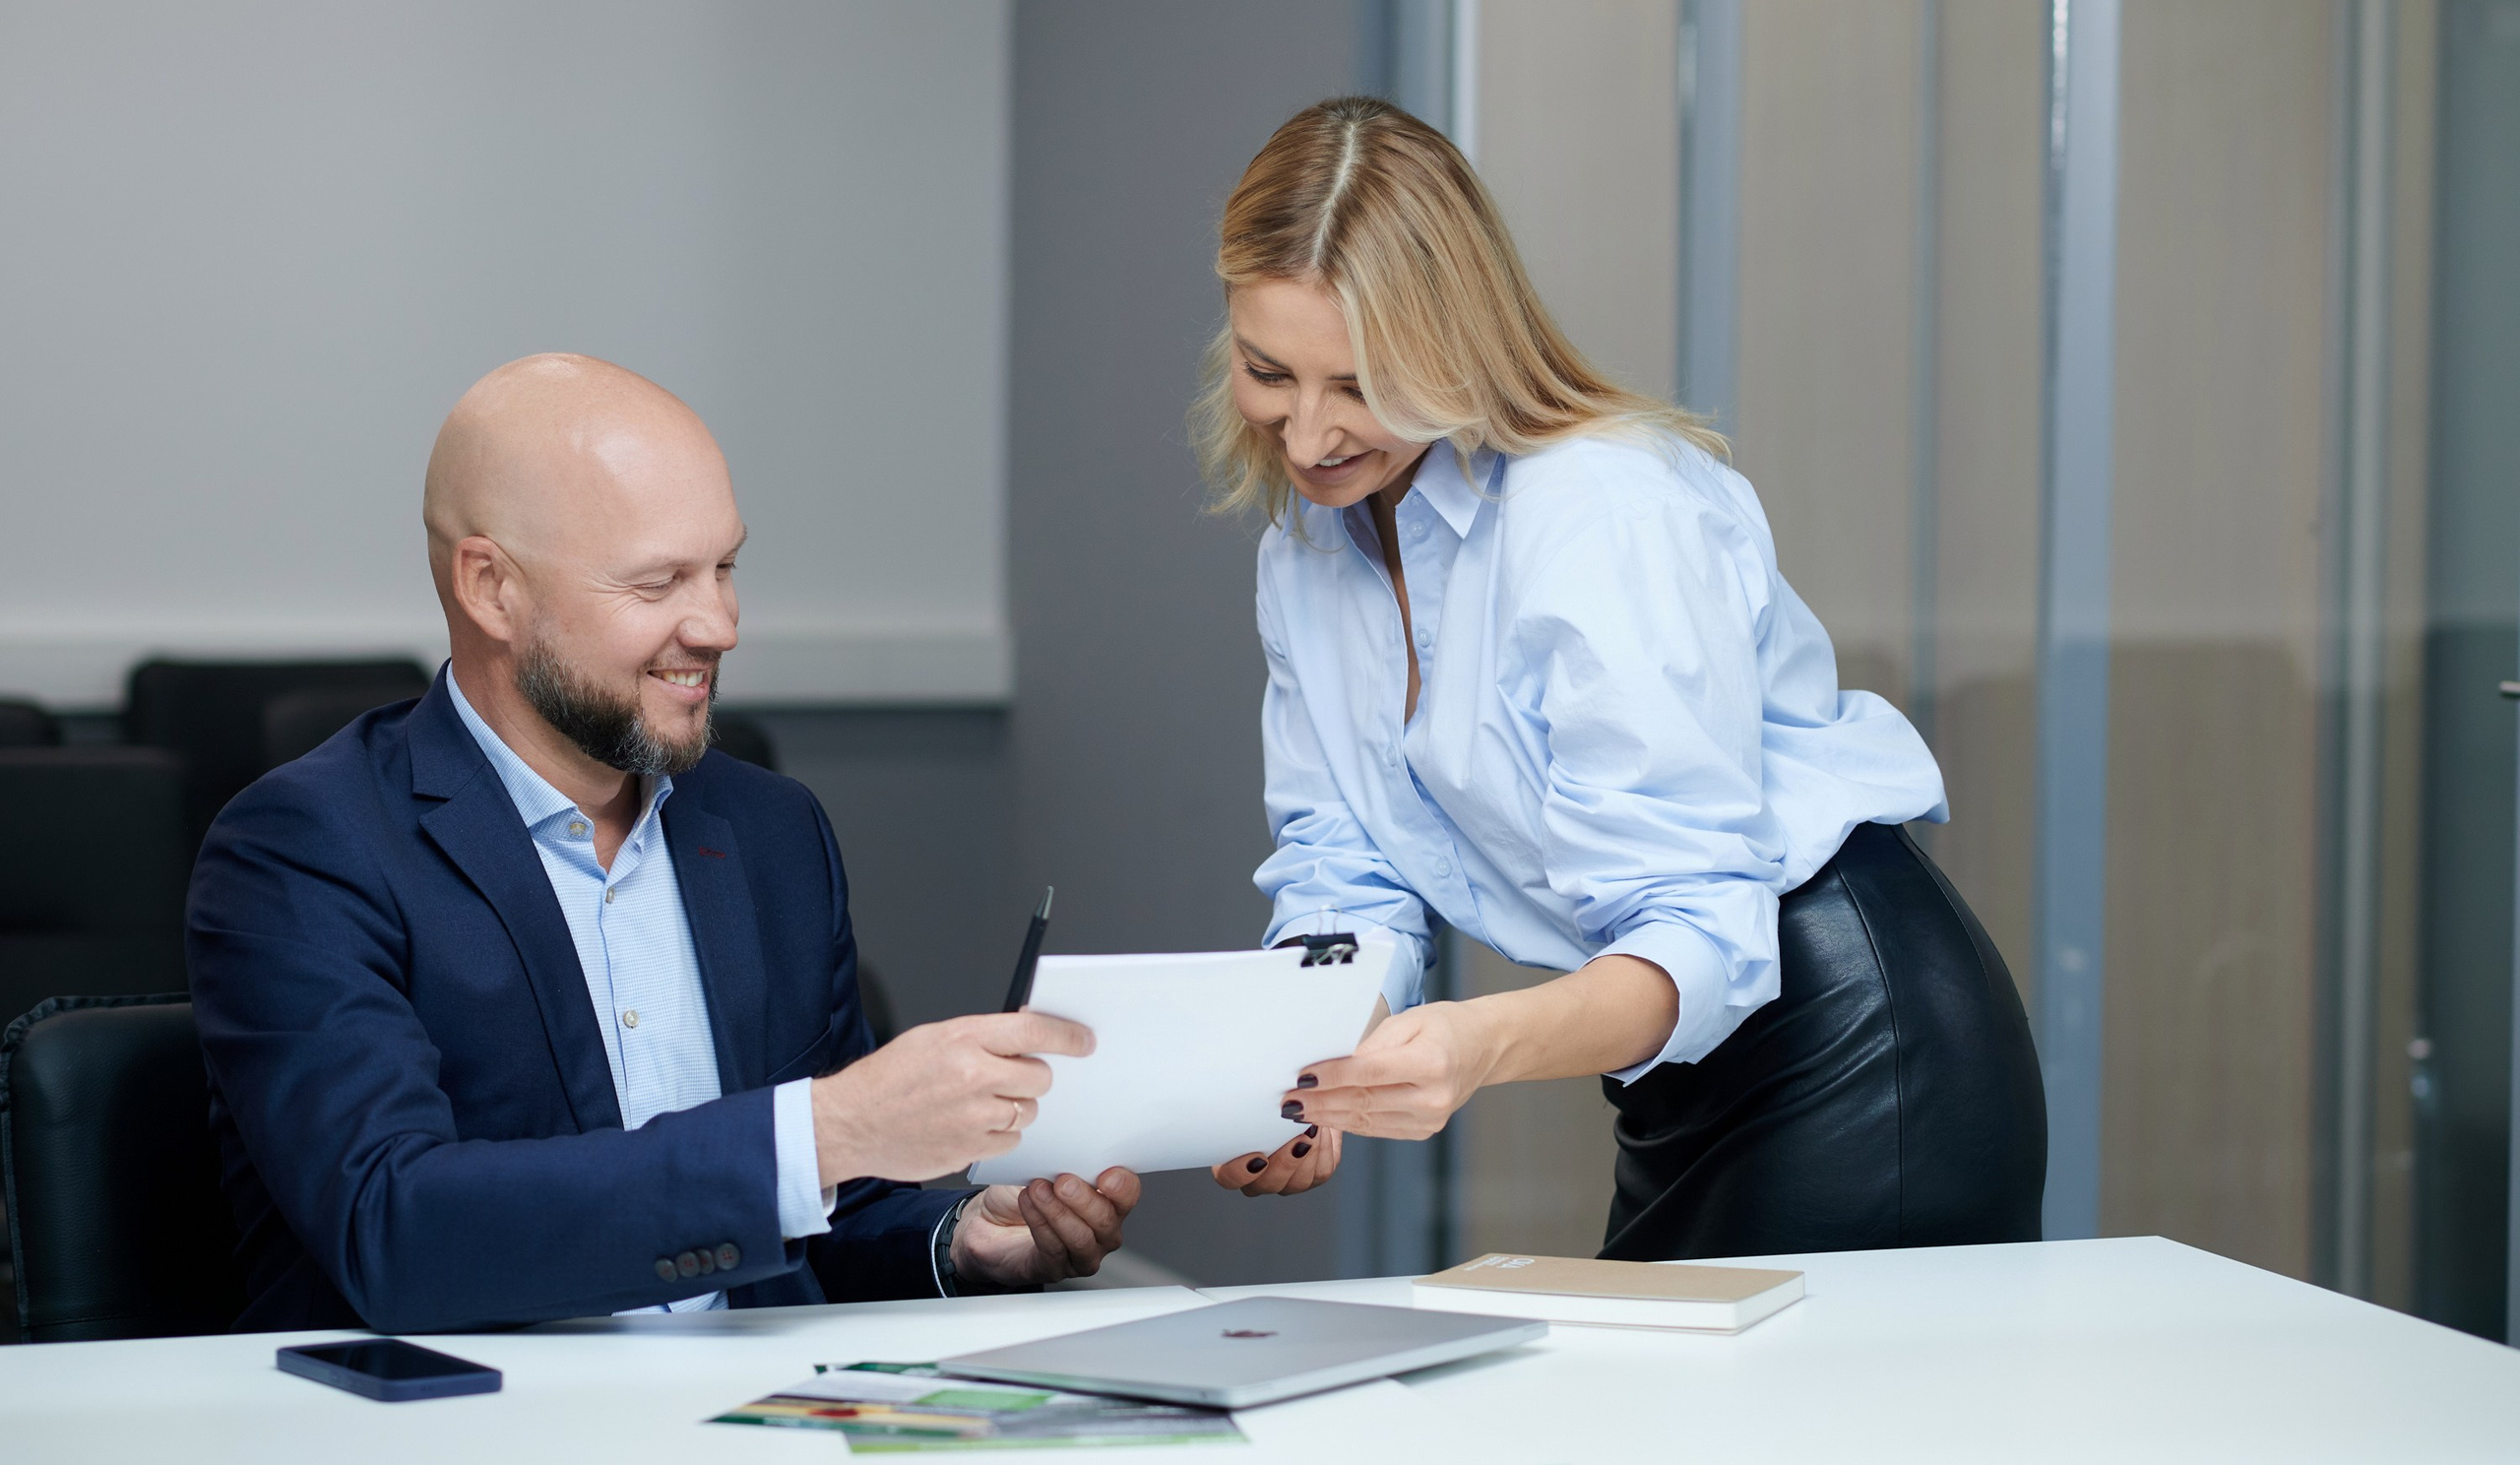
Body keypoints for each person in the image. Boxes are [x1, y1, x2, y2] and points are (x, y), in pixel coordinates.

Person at [1198, 97, 2044, 1258]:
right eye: (1268, 372)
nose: (1306, 437)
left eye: (1359, 384)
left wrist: (1469, 1045)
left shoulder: (1599, 507)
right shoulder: (1303, 549)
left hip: (1851, 1040)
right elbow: (1342, 867)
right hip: (1676, 1075)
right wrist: (1301, 1060)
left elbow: (1695, 925)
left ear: (1456, 344)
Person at [189, 355, 1138, 1333]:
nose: (720, 623)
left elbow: (825, 1215)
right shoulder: (306, 847)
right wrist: (829, 1128)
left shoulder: (772, 830)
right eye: (659, 581)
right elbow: (394, 1228)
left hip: (761, 1416)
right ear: (491, 587)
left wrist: (959, 1239)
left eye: (725, 567)